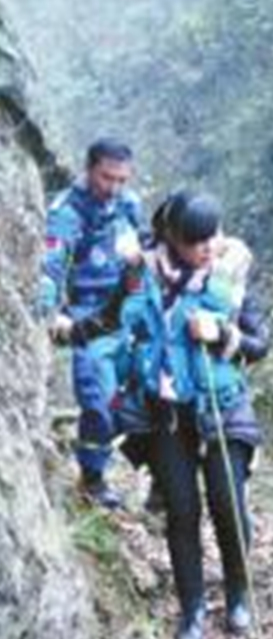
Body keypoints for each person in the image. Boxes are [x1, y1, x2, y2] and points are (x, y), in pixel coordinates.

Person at [117, 192, 269, 639]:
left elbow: (259, 344)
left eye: (213, 235)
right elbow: (115, 318)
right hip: (166, 414)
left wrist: (223, 333)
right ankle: (193, 607)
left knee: (227, 501)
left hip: (223, 406)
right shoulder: (143, 271)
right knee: (181, 511)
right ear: (172, 237)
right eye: (195, 240)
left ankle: (239, 594)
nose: (207, 246)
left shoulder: (232, 272)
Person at [36, 137, 145, 508]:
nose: (113, 187)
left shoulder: (128, 205)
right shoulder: (67, 211)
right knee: (98, 398)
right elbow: (53, 262)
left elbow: (142, 246)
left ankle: (160, 484)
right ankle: (93, 477)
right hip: (87, 313)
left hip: (129, 306)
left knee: (146, 393)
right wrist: (51, 308)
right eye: (106, 177)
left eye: (121, 179)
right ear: (89, 169)